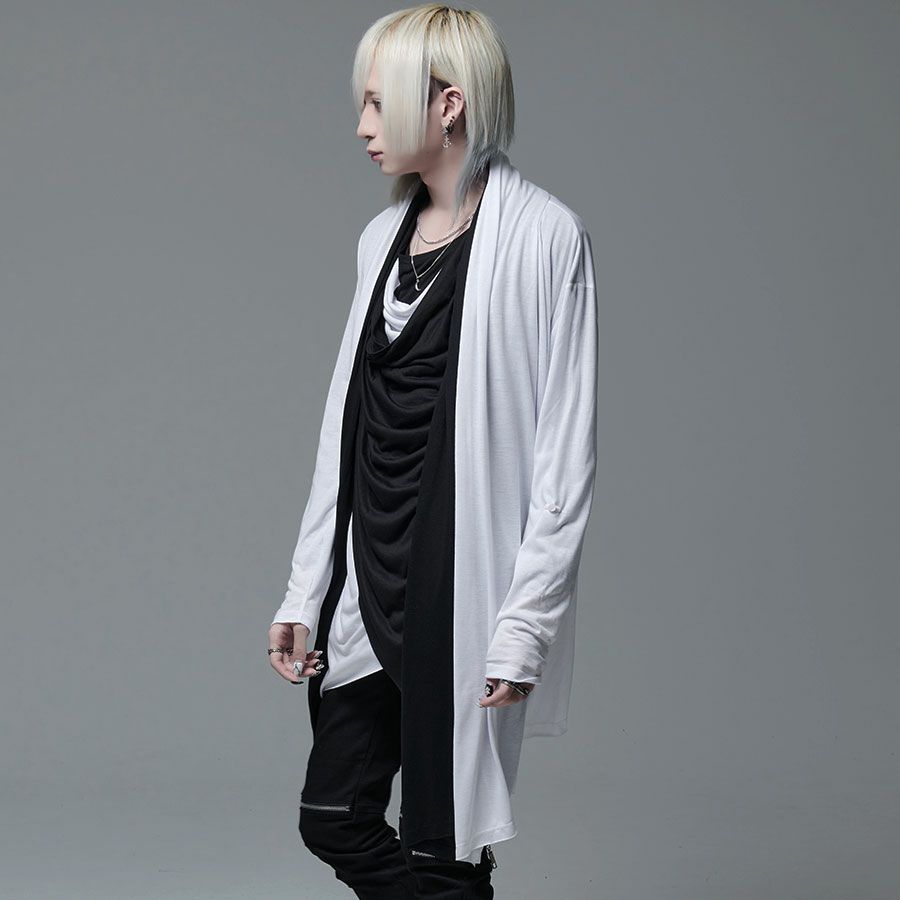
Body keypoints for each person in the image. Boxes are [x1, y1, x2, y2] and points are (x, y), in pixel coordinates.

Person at [268, 5, 598, 898]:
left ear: (449, 104)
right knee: (334, 815)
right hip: (366, 577)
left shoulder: (545, 240)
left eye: (379, 102)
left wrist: (525, 627)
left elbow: (564, 463)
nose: (362, 124)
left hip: (463, 589)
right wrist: (305, 590)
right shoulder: (380, 241)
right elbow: (345, 429)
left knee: (441, 846)